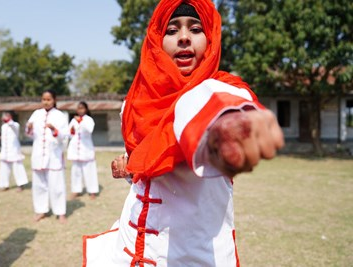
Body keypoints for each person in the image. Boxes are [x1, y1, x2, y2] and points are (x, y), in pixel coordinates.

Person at [83, 1, 284, 266]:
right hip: (131, 246)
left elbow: (219, 110)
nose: (185, 37)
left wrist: (233, 128)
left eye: (196, 28)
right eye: (172, 30)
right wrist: (132, 168)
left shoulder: (221, 91)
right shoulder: (135, 104)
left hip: (193, 256)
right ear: (156, 40)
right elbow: (151, 165)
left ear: (210, 38)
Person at [26, 89, 69, 223]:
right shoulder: (36, 114)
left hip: (54, 155)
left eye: (49, 99)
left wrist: (54, 130)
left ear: (54, 100)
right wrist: (29, 128)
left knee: (57, 185)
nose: (46, 102)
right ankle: (41, 210)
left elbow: (65, 135)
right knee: (39, 185)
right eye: (44, 99)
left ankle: (60, 212)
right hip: (38, 154)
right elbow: (29, 134)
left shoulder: (60, 116)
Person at [67, 101, 99, 200]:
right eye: (78, 108)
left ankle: (92, 191)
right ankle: (76, 190)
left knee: (89, 171)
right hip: (75, 150)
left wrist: (80, 120)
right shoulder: (73, 120)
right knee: (75, 171)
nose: (80, 110)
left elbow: (89, 129)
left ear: (86, 109)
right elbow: (69, 134)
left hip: (86, 149)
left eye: (82, 108)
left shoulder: (88, 120)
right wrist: (72, 130)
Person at [0, 111, 28, 192]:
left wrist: (8, 120)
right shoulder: (3, 126)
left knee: (17, 168)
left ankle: (20, 184)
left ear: (10, 116)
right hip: (5, 150)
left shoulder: (15, 125)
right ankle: (4, 185)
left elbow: (12, 125)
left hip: (14, 150)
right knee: (4, 169)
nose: (3, 117)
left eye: (6, 115)